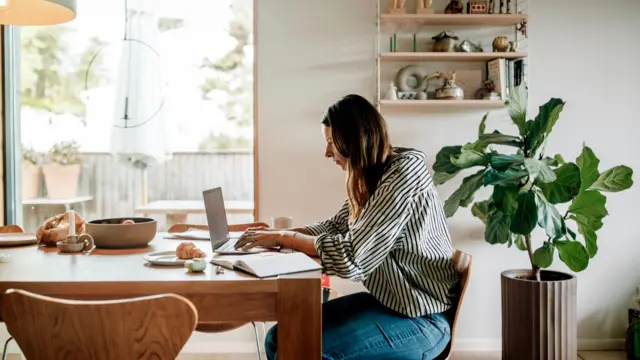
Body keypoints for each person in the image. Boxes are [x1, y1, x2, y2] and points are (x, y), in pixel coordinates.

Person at [235, 94, 459, 360]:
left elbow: (352, 258)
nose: (327, 152)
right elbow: (336, 226)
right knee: (279, 338)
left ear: (355, 139)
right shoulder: (371, 176)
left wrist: (288, 237)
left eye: (331, 142)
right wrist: (276, 238)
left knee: (305, 350)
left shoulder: (404, 174)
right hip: (388, 304)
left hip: (422, 318)